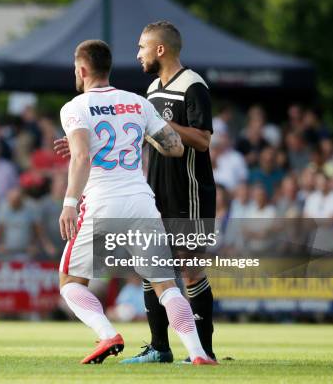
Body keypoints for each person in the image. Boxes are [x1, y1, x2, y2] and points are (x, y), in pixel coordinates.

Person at [54, 22, 217, 363]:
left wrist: (70, 202)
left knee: (70, 280)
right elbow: (173, 148)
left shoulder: (75, 106)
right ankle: (198, 353)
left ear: (82, 69)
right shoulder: (137, 102)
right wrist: (135, 136)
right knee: (165, 285)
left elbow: (83, 156)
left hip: (100, 202)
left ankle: (107, 334)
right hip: (142, 201)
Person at [130, 21, 217, 363]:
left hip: (190, 192)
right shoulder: (153, 89)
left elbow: (203, 139)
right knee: (150, 265)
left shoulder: (193, 86)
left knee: (190, 268)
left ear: (160, 50)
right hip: (157, 191)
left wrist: (159, 122)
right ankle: (158, 347)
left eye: (142, 47)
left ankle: (205, 350)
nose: (138, 54)